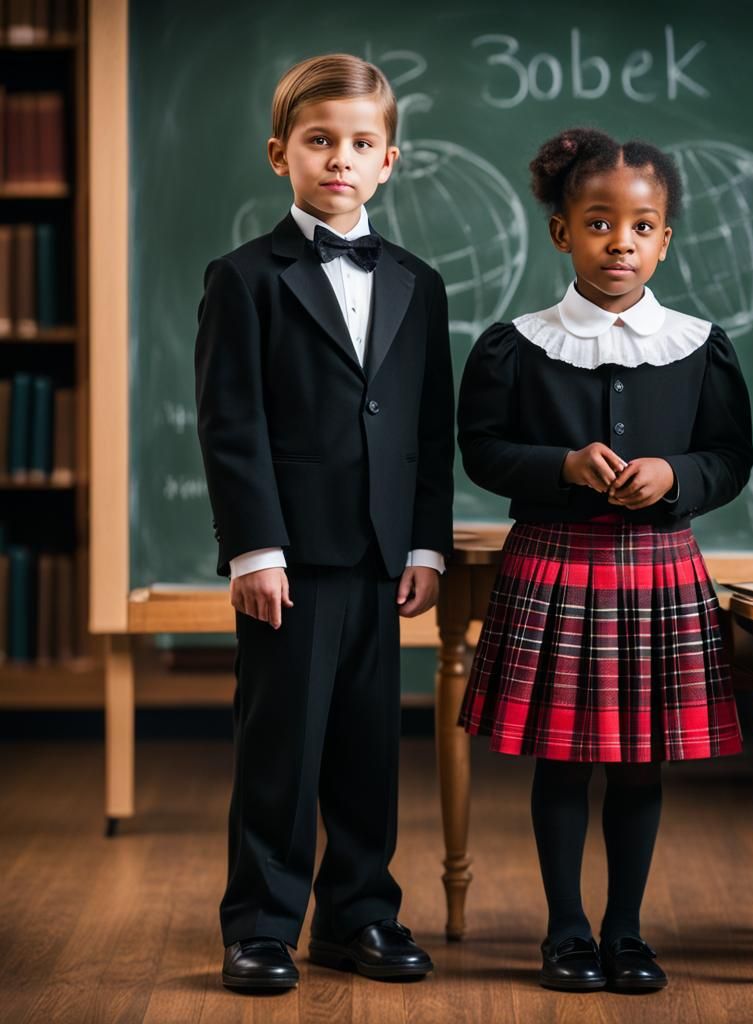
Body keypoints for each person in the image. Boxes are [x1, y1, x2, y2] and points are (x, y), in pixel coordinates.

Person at [457, 127, 753, 993]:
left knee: (639, 760)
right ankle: (565, 931)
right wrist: (560, 466)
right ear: (562, 234)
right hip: (554, 565)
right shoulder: (514, 344)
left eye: (641, 226)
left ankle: (626, 931)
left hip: (660, 567)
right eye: (598, 223)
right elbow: (480, 452)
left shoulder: (701, 345)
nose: (619, 242)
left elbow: (730, 460)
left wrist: (675, 476)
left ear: (665, 238)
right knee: (564, 757)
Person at [195, 53, 454, 991]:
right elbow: (232, 426)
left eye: (360, 143)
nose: (339, 159)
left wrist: (426, 544)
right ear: (280, 155)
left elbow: (430, 426)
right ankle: (261, 924)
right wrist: (254, 549)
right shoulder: (244, 278)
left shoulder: (420, 284)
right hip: (289, 560)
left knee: (366, 748)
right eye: (319, 141)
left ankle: (359, 916)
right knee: (281, 748)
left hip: (383, 555)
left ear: (389, 160)